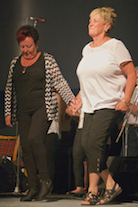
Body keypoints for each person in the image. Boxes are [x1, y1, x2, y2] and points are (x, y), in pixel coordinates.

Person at [70, 7, 136, 205]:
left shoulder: (115, 46)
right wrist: (80, 98)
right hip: (89, 105)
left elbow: (131, 74)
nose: (90, 23)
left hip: (109, 104)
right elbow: (88, 80)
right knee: (86, 146)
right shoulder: (87, 49)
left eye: (96, 20)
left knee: (93, 145)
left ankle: (104, 186)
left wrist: (126, 100)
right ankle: (100, 188)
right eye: (90, 19)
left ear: (106, 26)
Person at [4, 25, 75, 202]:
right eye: (23, 47)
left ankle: (45, 180)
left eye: (29, 46)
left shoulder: (47, 60)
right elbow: (9, 90)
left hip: (42, 107)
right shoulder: (15, 63)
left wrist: (72, 100)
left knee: (35, 139)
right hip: (22, 110)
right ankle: (32, 187)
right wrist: (7, 112)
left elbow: (60, 82)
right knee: (26, 147)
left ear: (36, 43)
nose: (26, 50)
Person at [66, 101, 88, 196]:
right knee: (77, 155)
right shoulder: (83, 91)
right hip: (81, 126)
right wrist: (75, 112)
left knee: (91, 158)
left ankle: (90, 187)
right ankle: (79, 186)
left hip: (93, 125)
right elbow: (68, 109)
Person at [123, 66, 138, 156]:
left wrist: (125, 102)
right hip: (130, 128)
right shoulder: (133, 90)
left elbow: (135, 109)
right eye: (136, 77)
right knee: (128, 155)